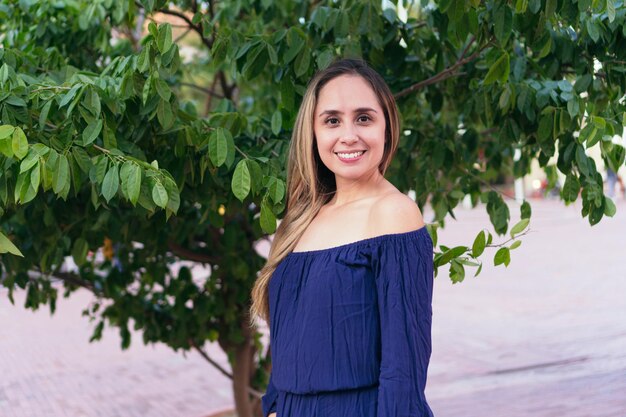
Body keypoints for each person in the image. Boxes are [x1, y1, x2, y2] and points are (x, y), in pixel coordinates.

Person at [249, 58, 435, 417]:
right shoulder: (300, 218)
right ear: (314, 131)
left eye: (364, 118)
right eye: (332, 120)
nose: (348, 135)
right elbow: (288, 346)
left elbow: (404, 371)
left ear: (387, 127)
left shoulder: (393, 213)